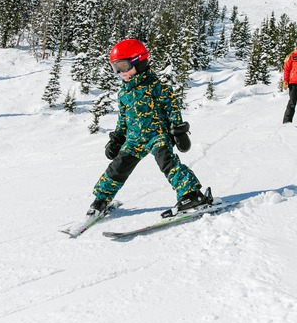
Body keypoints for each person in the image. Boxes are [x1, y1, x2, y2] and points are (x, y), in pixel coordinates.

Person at [88, 38, 209, 216]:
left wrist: (179, 131)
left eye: (123, 66)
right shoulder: (123, 93)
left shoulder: (156, 87)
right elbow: (123, 119)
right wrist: (117, 139)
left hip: (157, 135)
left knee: (167, 163)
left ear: (140, 62)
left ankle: (191, 194)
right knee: (117, 168)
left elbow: (172, 109)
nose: (120, 72)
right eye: (116, 68)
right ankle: (101, 200)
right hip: (134, 139)